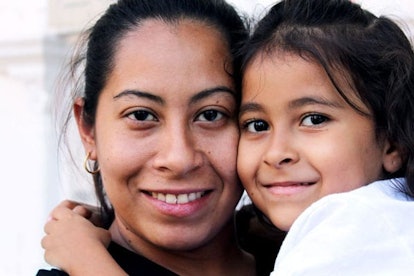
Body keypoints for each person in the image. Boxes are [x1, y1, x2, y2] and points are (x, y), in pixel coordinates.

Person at [37, 0, 261, 275]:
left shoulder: (311, 257)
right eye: (141, 115)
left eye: (211, 114)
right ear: (88, 129)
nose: (179, 159)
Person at [237, 0, 414, 274]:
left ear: (393, 143)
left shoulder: (355, 226)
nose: (276, 153)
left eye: (314, 119)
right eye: (257, 125)